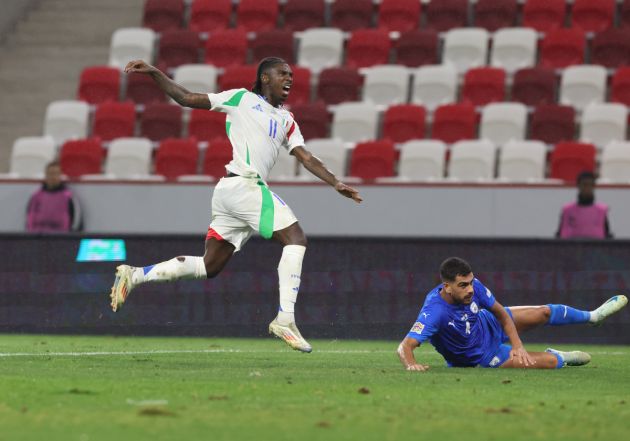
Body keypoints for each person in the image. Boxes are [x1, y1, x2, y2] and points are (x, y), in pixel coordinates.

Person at [109, 57, 362, 353]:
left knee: (209, 266)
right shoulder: (241, 98)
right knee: (295, 238)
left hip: (230, 193)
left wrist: (335, 182)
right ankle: (285, 319)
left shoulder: (286, 120)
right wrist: (154, 72)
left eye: (291, 75)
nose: (289, 79)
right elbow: (186, 98)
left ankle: (135, 275)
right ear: (265, 78)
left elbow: (305, 156)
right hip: (244, 185)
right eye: (282, 74)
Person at [397, 257, 627, 371]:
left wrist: (517, 344)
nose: (470, 290)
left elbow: (501, 313)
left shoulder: (475, 286)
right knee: (549, 363)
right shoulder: (435, 311)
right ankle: (559, 356)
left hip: (489, 324)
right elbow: (405, 346)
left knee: (544, 312)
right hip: (481, 356)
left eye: (470, 283)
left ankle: (593, 317)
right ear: (446, 286)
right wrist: (411, 364)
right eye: (462, 286)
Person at [26, 161, 82, 233]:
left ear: (60, 175)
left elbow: (75, 221)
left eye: (55, 174)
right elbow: (30, 218)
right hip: (38, 237)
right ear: (46, 175)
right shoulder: (36, 196)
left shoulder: (68, 197)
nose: (53, 177)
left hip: (60, 238)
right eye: (50, 174)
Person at [557, 171, 612, 239]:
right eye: (584, 184)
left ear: (593, 187)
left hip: (596, 249)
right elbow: (559, 236)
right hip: (572, 248)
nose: (587, 188)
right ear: (578, 186)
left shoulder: (601, 211)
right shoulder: (567, 210)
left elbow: (607, 237)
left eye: (590, 185)